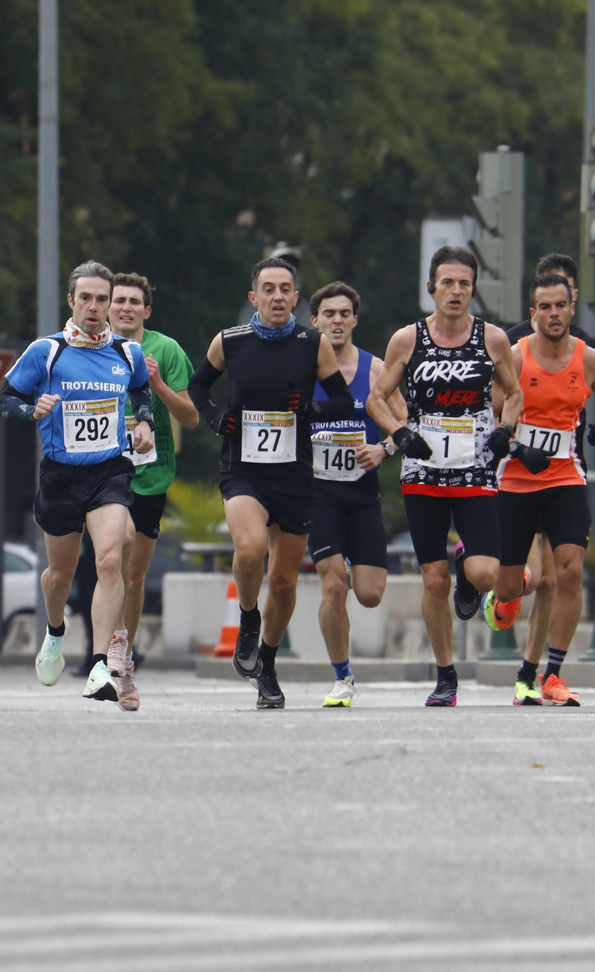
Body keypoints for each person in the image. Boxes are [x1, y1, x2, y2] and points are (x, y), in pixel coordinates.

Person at [186, 252, 357, 709]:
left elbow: (342, 404)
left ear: (297, 298)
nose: (277, 296)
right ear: (253, 296)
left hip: (294, 475)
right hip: (242, 469)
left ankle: (267, 663)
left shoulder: (312, 342)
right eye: (268, 289)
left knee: (283, 584)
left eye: (285, 289)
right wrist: (215, 418)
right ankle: (247, 617)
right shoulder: (231, 341)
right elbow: (197, 387)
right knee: (249, 548)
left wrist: (311, 409)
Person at [366, 246, 527, 707]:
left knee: (485, 571)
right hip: (424, 472)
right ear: (431, 287)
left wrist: (505, 430)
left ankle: (466, 566)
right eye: (447, 283)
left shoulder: (492, 339)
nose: (455, 291)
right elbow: (378, 398)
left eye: (464, 284)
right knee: (432, 581)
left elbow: (514, 394)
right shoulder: (407, 340)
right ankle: (445, 674)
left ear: (472, 289)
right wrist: (399, 431)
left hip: (475, 469)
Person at [0, 261, 156, 704]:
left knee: (109, 558)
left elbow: (141, 391)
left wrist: (143, 422)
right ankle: (55, 631)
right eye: (85, 298)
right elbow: (6, 399)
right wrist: (32, 411)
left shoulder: (127, 353)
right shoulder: (46, 351)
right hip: (61, 475)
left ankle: (101, 665)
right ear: (71, 301)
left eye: (102, 299)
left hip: (110, 469)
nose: (94, 306)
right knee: (58, 577)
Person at [478, 253, 595, 669]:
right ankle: (502, 597)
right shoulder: (516, 355)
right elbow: (488, 414)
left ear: (572, 306)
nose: (554, 313)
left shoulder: (589, 357)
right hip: (517, 479)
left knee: (568, 574)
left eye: (561, 305)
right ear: (533, 313)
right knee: (512, 585)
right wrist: (517, 446)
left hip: (565, 476)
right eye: (545, 307)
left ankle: (553, 673)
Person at [305, 281, 403, 707]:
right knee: (333, 586)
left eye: (345, 313)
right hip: (317, 494)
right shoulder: (301, 367)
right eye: (329, 314)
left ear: (355, 320)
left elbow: (405, 423)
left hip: (362, 494)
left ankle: (349, 563)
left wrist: (383, 448)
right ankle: (342, 676)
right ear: (315, 321)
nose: (338, 321)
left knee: (369, 593)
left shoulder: (377, 369)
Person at [107, 271, 198, 711]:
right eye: (117, 300)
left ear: (146, 310)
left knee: (133, 575)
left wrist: (158, 383)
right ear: (106, 307)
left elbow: (192, 417)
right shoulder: (89, 350)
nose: (124, 307)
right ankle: (100, 654)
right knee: (113, 551)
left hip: (151, 475)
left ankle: (123, 662)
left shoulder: (167, 350)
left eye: (133, 301)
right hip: (102, 473)